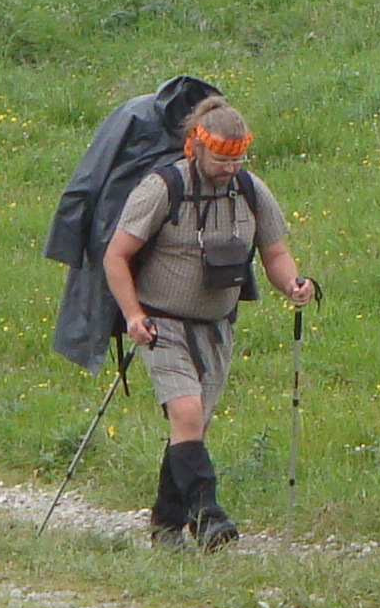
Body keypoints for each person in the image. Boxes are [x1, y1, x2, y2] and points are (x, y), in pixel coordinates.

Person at [102, 96, 315, 548]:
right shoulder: (162, 188)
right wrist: (133, 315)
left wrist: (293, 284)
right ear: (196, 148)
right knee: (186, 413)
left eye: (238, 159)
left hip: (217, 325)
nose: (230, 168)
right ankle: (208, 516)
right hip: (161, 324)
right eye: (222, 159)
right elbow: (115, 256)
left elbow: (274, 251)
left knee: (193, 428)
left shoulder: (250, 190)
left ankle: (165, 526)